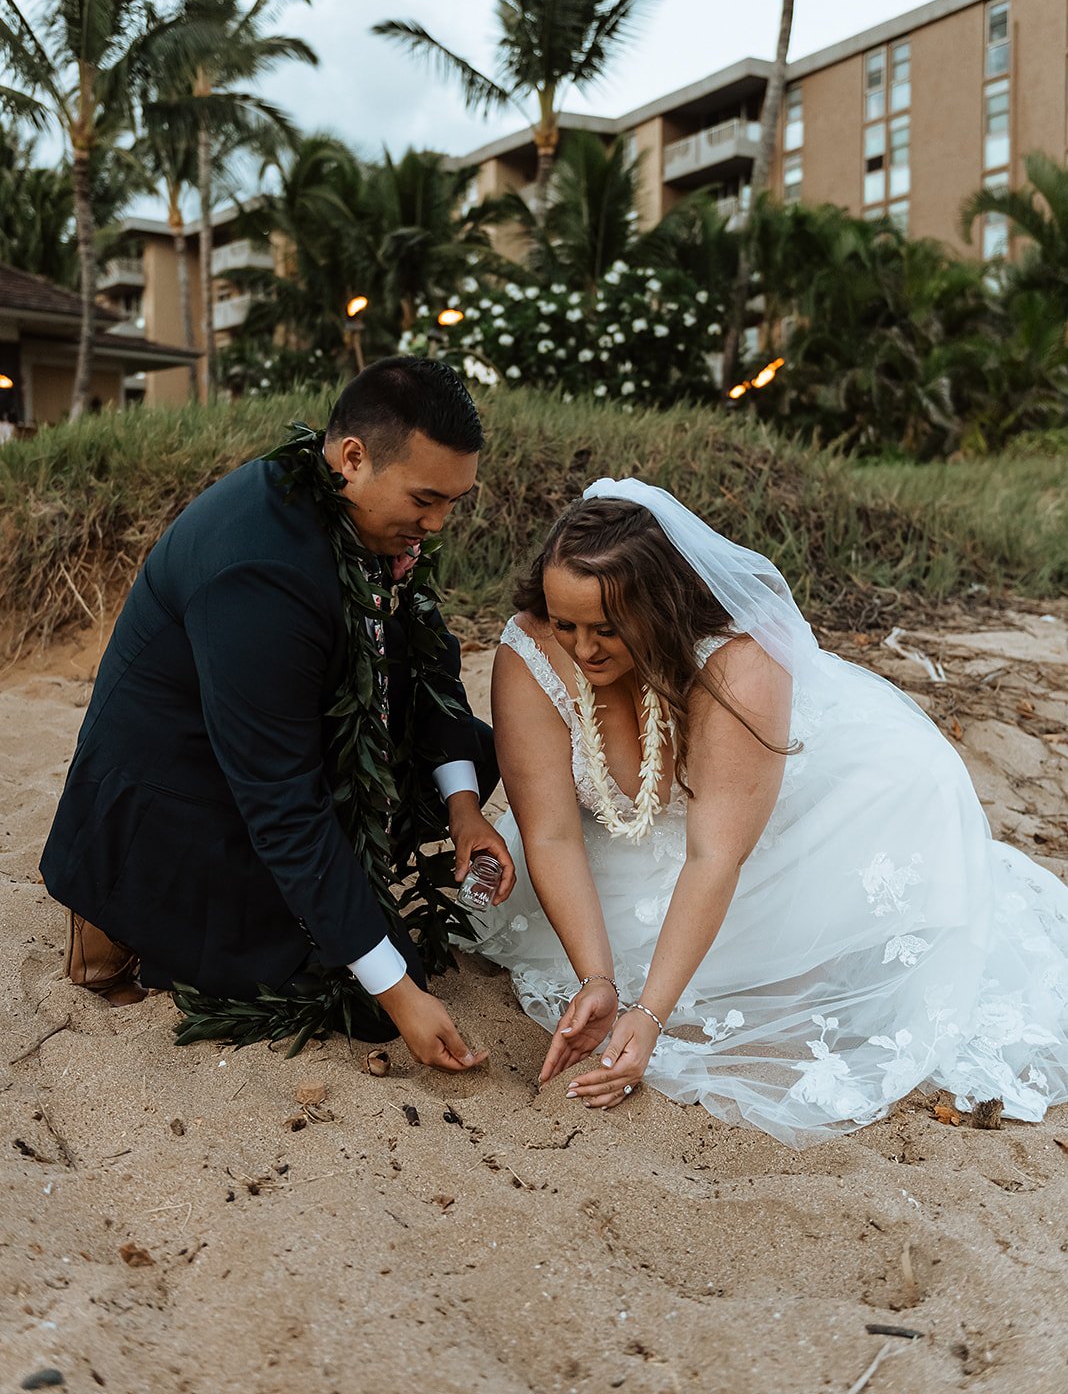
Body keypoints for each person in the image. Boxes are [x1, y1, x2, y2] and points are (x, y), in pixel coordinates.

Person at [469, 477, 1068, 1146]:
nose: (583, 650)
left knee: (794, 970)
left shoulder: (738, 658)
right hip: (638, 843)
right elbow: (549, 833)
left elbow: (715, 852)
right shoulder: (529, 650)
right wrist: (599, 978)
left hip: (802, 826)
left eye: (608, 628)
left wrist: (648, 1013)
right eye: (566, 623)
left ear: (662, 607)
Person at [41, 357, 515, 1073]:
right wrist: (397, 993)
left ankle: (334, 898)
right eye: (426, 498)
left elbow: (429, 657)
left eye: (454, 501)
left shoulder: (365, 513)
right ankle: (115, 915)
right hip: (183, 797)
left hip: (289, 743)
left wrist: (463, 810)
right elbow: (281, 802)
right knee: (366, 1006)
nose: (438, 524)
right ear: (352, 458)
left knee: (473, 752)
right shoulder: (259, 570)